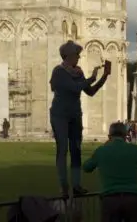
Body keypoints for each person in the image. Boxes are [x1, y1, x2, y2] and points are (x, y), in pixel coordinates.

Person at [50, 40, 109, 198]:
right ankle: (64, 186)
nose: (79, 57)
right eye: (77, 54)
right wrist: (92, 77)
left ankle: (76, 185)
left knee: (76, 150)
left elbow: (90, 92)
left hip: (75, 114)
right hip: (59, 115)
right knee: (62, 150)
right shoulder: (59, 72)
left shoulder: (79, 72)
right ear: (68, 55)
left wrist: (104, 77)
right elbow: (75, 87)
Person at [83, 121, 137, 222]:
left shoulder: (101, 151)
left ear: (109, 136)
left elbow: (86, 167)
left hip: (110, 198)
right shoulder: (135, 149)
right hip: (133, 197)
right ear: (125, 136)